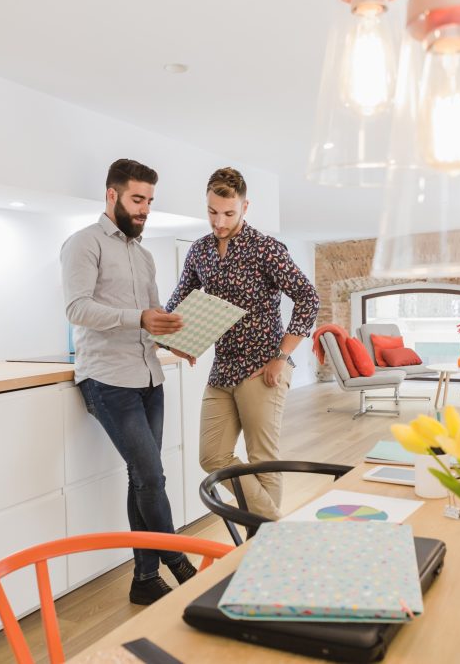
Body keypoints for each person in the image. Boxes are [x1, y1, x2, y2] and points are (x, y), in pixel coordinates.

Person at [60, 158, 196, 606]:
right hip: (107, 379)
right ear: (112, 195)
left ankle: (143, 578)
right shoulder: (83, 244)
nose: (144, 210)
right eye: (138, 199)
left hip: (148, 377)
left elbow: (153, 318)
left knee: (142, 478)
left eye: (150, 201)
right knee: (151, 475)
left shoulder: (144, 254)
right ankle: (178, 562)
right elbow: (77, 308)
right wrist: (137, 317)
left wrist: (179, 339)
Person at [166, 167, 319, 520]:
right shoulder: (199, 252)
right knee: (211, 456)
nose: (219, 222)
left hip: (264, 367)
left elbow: (308, 298)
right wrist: (177, 340)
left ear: (245, 207)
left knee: (262, 459)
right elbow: (178, 302)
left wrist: (282, 356)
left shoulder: (266, 249)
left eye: (228, 213)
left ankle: (260, 536)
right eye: (212, 212)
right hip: (222, 369)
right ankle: (274, 526)